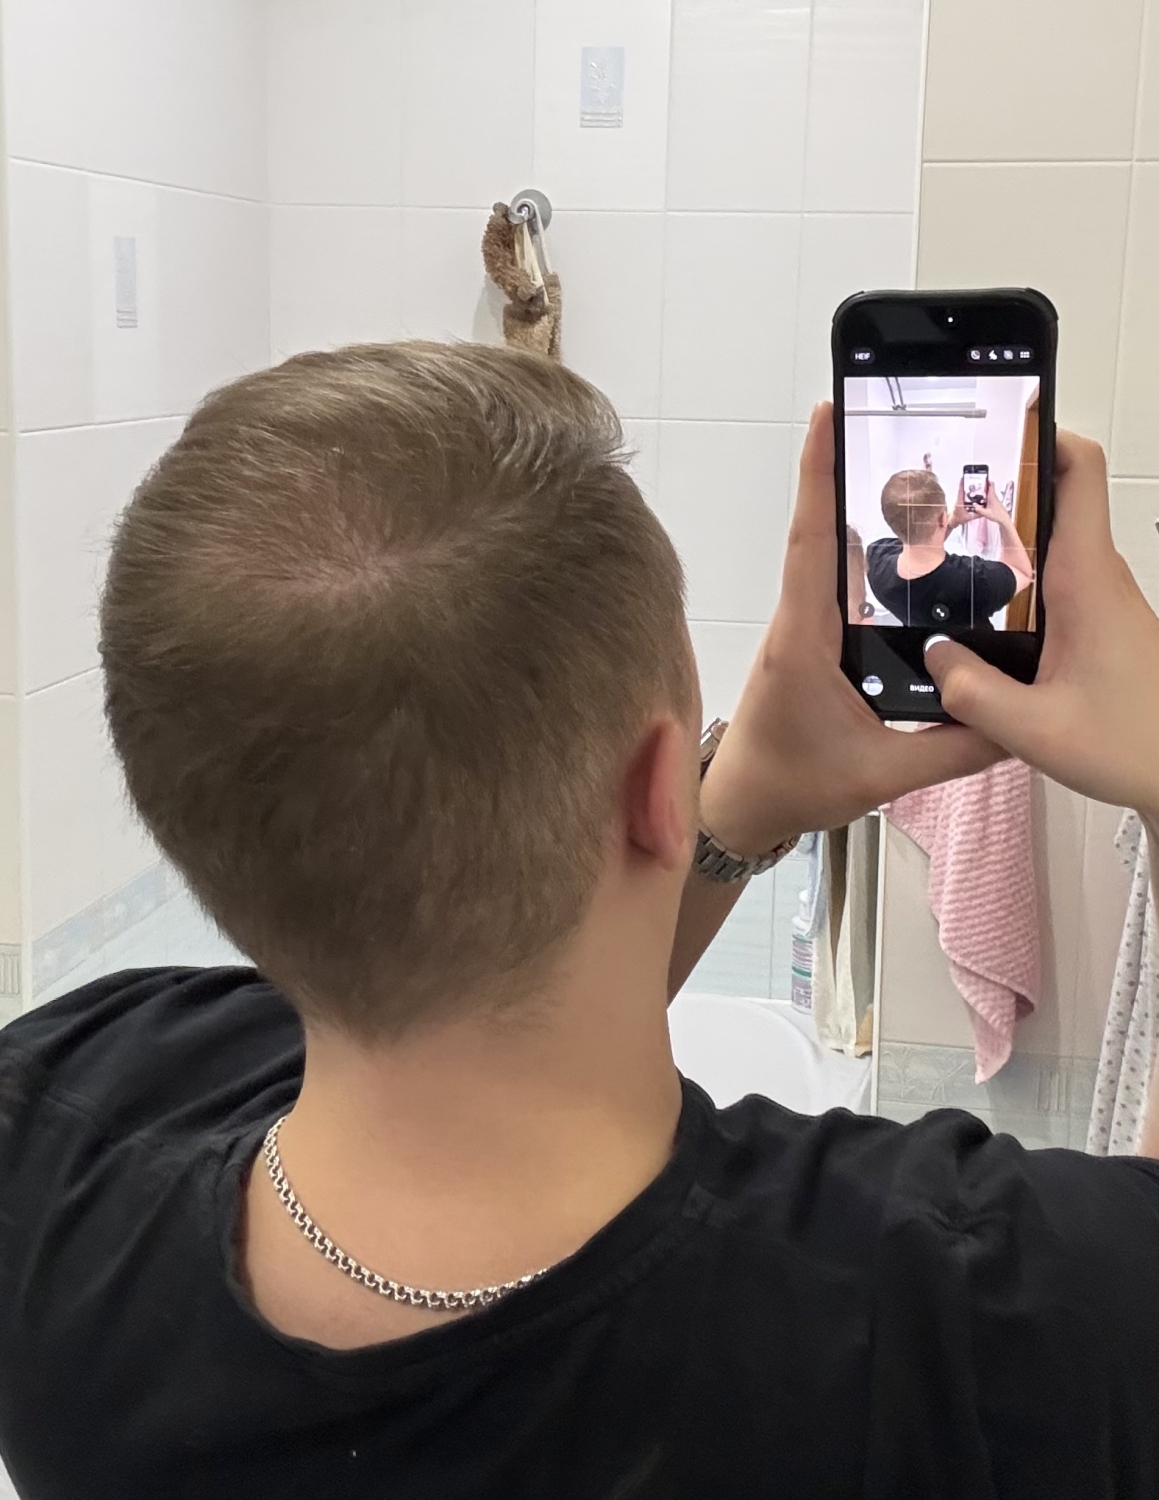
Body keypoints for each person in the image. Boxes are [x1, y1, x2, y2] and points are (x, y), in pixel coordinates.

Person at [0, 343, 1157, 1499]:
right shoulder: (991, 1319)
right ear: (660, 789)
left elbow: (499, 1003)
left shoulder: (56, 1121)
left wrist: (734, 809)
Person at [867, 467, 1035, 629]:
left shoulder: (875, 559)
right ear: (942, 518)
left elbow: (920, 544)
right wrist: (1003, 519)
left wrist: (952, 521)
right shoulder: (975, 582)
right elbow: (1023, 573)